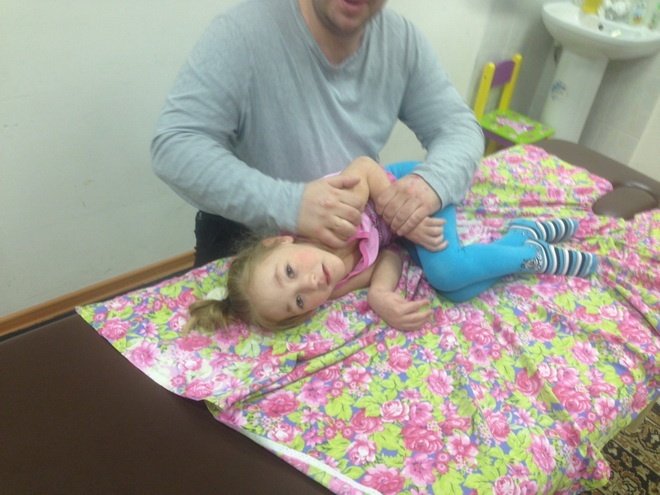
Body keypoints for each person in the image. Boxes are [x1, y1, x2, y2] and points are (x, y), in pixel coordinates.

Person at [151, 0, 484, 267]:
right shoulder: (242, 33)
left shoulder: (402, 41)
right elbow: (175, 145)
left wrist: (430, 183)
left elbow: (458, 127)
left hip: (353, 246)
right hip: (250, 246)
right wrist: (290, 204)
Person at [184, 157, 598, 333]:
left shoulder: (326, 214)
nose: (309, 283)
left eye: (289, 271)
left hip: (413, 187)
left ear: (280, 240)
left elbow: (366, 167)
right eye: (299, 301)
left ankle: (533, 256)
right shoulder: (333, 284)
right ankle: (520, 237)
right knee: (458, 291)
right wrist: (379, 294)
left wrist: (400, 211)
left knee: (448, 272)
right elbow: (388, 254)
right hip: (403, 232)